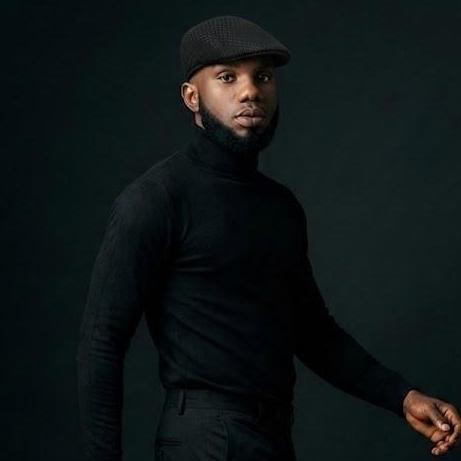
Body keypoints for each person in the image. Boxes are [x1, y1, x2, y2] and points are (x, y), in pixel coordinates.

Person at [76, 15, 460, 461]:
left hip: (273, 437)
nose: (250, 92)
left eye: (262, 77)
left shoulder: (279, 207)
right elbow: (101, 343)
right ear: (192, 97)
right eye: (228, 77)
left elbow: (312, 332)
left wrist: (402, 396)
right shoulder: (156, 200)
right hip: (205, 441)